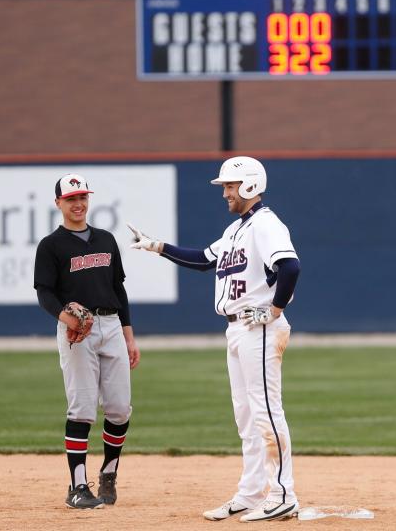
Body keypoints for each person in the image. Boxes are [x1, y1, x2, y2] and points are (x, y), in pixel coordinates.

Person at [129, 155, 302, 522]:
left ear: (251, 185)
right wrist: (156, 246)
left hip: (259, 328)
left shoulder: (266, 225)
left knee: (266, 410)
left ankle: (284, 493)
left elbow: (290, 266)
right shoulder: (236, 230)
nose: (224, 193)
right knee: (246, 416)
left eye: (229, 186)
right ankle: (252, 491)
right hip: (237, 328)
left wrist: (273, 310)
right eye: (224, 186)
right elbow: (205, 259)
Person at [33, 173, 140, 509]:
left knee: (120, 409)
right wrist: (66, 317)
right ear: (58, 204)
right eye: (70, 199)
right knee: (81, 409)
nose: (78, 204)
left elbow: (118, 289)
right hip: (77, 333)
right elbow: (45, 293)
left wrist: (128, 333)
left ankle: (109, 472)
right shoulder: (51, 246)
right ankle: (77, 487)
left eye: (82, 198)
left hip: (111, 325)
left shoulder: (106, 239)